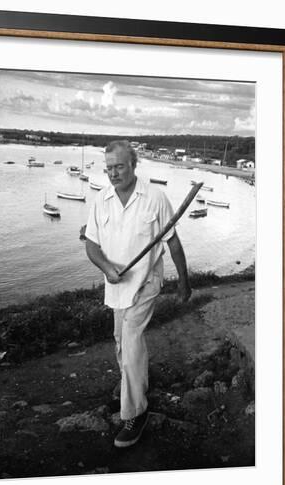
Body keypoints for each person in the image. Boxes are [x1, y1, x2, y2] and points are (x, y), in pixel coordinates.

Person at [84, 140, 191, 448]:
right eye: (109, 168)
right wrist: (106, 268)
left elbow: (172, 243)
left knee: (130, 339)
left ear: (133, 165)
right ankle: (135, 384)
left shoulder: (155, 198)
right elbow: (91, 245)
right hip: (117, 285)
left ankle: (135, 412)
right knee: (121, 342)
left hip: (146, 282)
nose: (113, 173)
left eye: (119, 166)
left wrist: (184, 280)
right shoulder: (101, 200)